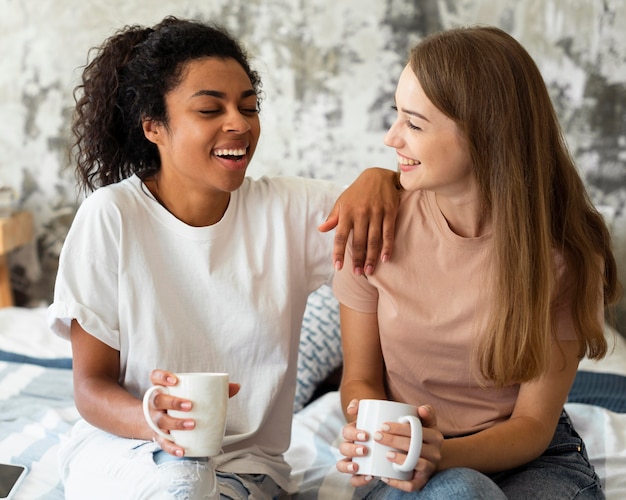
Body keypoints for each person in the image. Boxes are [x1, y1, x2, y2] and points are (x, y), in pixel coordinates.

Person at [47, 16, 401, 499]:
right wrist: (154, 416)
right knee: (182, 481)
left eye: (248, 106)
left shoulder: (289, 212)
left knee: (194, 483)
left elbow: (407, 210)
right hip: (122, 451)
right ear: (154, 126)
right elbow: (90, 387)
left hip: (246, 471)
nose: (239, 123)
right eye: (210, 109)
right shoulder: (111, 217)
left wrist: (380, 177)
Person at [333, 25, 621, 500]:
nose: (391, 138)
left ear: (485, 134)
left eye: (415, 124)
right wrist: (384, 437)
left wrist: (441, 452)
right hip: (400, 457)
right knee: (461, 490)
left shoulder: (564, 254)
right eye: (396, 116)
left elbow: (532, 424)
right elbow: (359, 378)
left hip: (531, 457)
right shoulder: (373, 229)